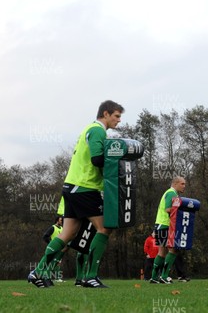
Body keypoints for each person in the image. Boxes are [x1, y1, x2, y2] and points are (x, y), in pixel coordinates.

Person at [29, 100, 124, 288]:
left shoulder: (88, 130)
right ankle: (90, 276)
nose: (119, 120)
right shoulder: (98, 130)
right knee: (105, 228)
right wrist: (118, 163)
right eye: (116, 116)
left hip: (72, 187)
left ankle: (38, 272)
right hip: (85, 187)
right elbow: (97, 159)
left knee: (68, 233)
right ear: (105, 114)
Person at [150, 176, 187, 284]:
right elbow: (168, 209)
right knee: (173, 250)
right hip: (166, 225)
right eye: (182, 184)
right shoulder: (172, 193)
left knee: (162, 252)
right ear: (175, 183)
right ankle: (164, 276)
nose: (184, 186)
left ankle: (154, 277)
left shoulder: (169, 192)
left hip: (160, 225)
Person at [41, 216, 64, 282]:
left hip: (59, 248)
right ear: (57, 221)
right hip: (53, 248)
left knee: (57, 262)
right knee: (50, 262)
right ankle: (41, 275)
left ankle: (55, 277)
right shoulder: (52, 228)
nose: (62, 221)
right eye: (61, 220)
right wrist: (50, 243)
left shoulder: (62, 228)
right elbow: (45, 236)